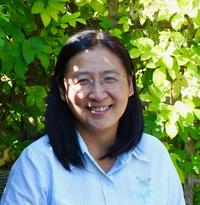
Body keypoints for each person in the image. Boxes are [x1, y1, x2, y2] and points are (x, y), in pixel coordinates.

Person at [0, 30, 185, 205]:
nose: (98, 94)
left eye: (109, 78)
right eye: (83, 81)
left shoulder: (154, 155)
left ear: (130, 85)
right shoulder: (37, 163)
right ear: (63, 90)